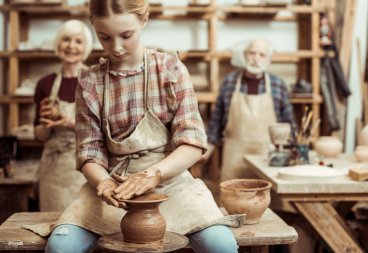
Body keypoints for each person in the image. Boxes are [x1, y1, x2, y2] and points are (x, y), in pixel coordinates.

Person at [32, 1, 244, 252]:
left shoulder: (170, 69)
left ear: (143, 21)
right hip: (113, 188)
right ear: (94, 28)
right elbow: (89, 151)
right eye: (105, 37)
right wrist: (103, 183)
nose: (116, 47)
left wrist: (153, 174)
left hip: (172, 185)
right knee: (60, 246)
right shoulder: (90, 81)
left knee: (222, 245)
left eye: (126, 35)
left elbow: (193, 142)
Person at [194, 38, 295, 181]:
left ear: (268, 59)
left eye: (262, 54)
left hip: (268, 159)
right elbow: (216, 123)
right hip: (235, 157)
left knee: (269, 201)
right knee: (232, 199)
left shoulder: (278, 85)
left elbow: (289, 124)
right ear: (244, 55)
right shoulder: (230, 82)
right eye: (252, 53)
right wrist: (203, 156)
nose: (256, 59)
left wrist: (294, 155)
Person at [33, 19, 93, 211]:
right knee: (52, 227)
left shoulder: (95, 80)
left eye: (78, 41)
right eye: (66, 40)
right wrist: (46, 124)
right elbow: (40, 135)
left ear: (86, 47)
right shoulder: (45, 84)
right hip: (53, 170)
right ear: (59, 44)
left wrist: (69, 123)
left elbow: (106, 131)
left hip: (87, 167)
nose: (71, 46)